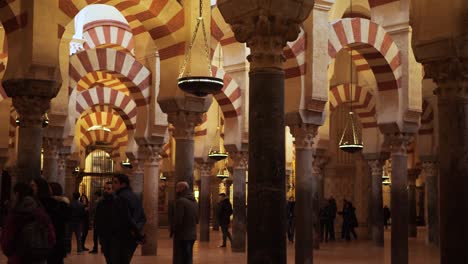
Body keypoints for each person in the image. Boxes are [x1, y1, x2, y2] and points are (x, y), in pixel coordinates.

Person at [1, 182, 56, 264]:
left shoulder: (16, 214)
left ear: (17, 194)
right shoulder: (41, 212)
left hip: (18, 259)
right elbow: (51, 237)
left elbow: (7, 243)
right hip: (39, 258)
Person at [111, 174, 146, 263]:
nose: (113, 185)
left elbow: (126, 218)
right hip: (132, 237)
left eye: (115, 182)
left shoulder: (120, 198)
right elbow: (142, 217)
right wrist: (138, 233)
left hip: (123, 236)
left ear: (123, 184)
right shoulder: (135, 196)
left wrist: (136, 232)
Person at [95, 181, 127, 263]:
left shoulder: (118, 202)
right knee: (107, 257)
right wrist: (99, 235)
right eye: (104, 189)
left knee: (113, 258)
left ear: (113, 190)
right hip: (104, 236)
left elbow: (124, 218)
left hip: (115, 237)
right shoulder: (100, 203)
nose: (106, 191)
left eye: (108, 189)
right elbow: (97, 220)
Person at [173, 181, 198, 264]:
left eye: (177, 188)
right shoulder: (194, 201)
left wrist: (174, 230)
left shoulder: (181, 201)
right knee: (188, 255)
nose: (176, 190)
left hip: (183, 234)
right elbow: (197, 218)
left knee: (183, 257)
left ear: (182, 188)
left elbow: (178, 219)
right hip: (192, 233)